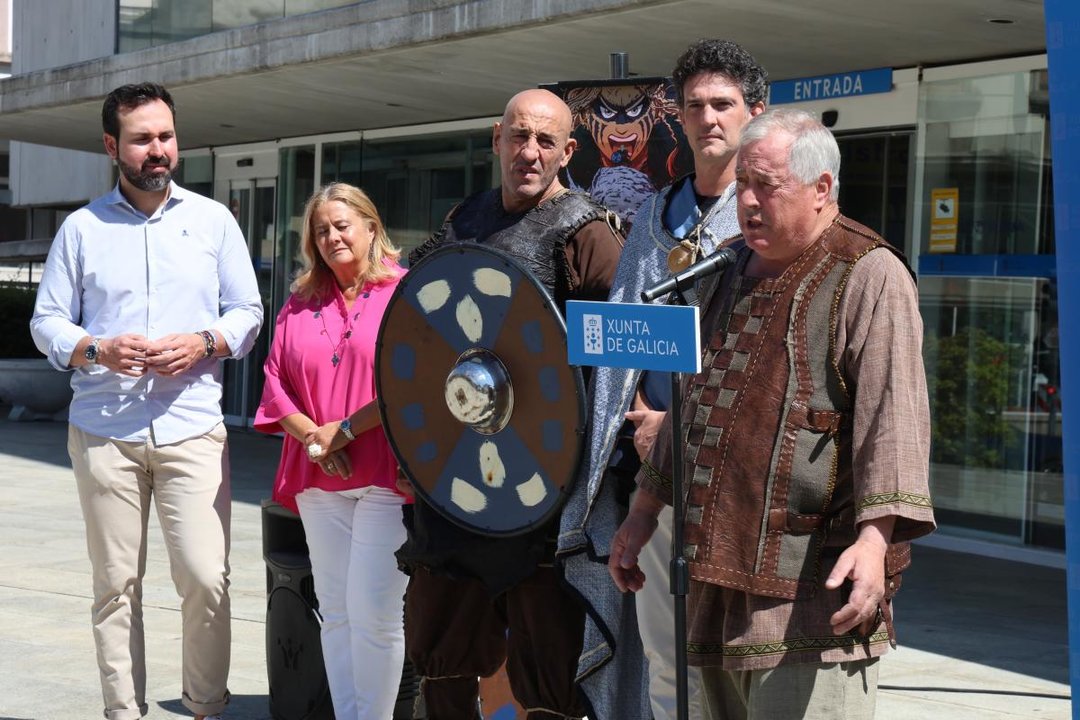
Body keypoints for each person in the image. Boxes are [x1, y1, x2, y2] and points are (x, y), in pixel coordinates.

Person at [609, 107, 936, 719]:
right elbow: (694, 403)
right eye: (744, 186)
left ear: (822, 189)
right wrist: (645, 509)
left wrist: (874, 541)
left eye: (768, 186)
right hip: (711, 574)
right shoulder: (725, 267)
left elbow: (893, 421)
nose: (749, 203)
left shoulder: (869, 273)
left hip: (812, 590)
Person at [29, 82, 263, 720]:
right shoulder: (81, 229)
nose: (157, 150)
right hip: (106, 430)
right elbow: (47, 321)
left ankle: (206, 706)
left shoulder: (213, 220)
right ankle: (124, 712)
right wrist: (94, 348)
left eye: (165, 137)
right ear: (113, 147)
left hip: (192, 428)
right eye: (141, 139)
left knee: (207, 578)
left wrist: (205, 340)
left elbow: (247, 311)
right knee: (115, 587)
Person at [396, 88, 625, 720]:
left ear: (567, 151)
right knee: (441, 650)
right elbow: (418, 326)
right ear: (497, 138)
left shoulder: (587, 235)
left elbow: (617, 367)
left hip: (541, 488)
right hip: (456, 474)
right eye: (519, 136)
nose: (529, 152)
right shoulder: (464, 221)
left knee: (545, 664)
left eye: (545, 141)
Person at [558, 39, 768, 720]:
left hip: (731, 479)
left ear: (754, 112)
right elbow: (621, 335)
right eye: (695, 105)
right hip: (651, 476)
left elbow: (757, 352)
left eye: (723, 104)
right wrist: (632, 419)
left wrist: (670, 423)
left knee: (728, 662)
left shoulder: (768, 220)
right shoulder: (652, 213)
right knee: (661, 661)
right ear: (674, 116)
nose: (708, 118)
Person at [254, 183, 411, 719]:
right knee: (338, 613)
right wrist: (315, 440)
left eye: (343, 225)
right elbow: (275, 380)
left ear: (371, 227)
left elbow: (412, 380)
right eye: (321, 230)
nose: (332, 237)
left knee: (375, 613)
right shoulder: (300, 302)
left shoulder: (404, 292)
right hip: (318, 475)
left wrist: (341, 431)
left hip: (385, 475)